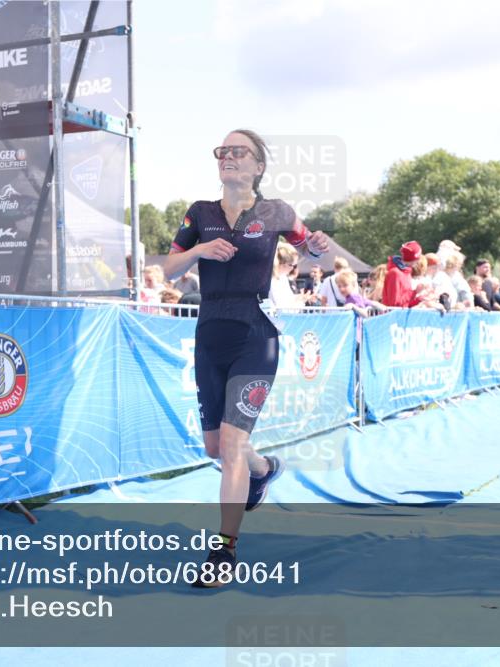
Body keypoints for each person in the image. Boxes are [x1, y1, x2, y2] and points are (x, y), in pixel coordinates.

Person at [162, 128, 329, 587]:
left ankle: (223, 554)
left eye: (239, 152)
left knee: (231, 446)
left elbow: (306, 245)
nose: (228, 157)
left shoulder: (278, 211)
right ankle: (264, 470)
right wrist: (198, 249)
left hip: (256, 337)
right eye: (223, 151)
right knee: (215, 448)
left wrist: (314, 246)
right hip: (209, 335)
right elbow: (169, 268)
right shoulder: (199, 213)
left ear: (258, 166)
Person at [382, 241, 423, 308]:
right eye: (419, 258)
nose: (419, 261)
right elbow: (394, 304)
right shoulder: (395, 273)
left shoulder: (407, 272)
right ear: (415, 258)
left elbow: (405, 304)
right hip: (392, 317)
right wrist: (414, 292)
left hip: (400, 316)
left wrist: (419, 299)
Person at [268, 243, 306, 309]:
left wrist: (300, 297)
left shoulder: (282, 278)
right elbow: (283, 309)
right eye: (294, 265)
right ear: (284, 264)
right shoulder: (273, 281)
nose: (293, 268)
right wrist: (301, 302)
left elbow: (288, 299)